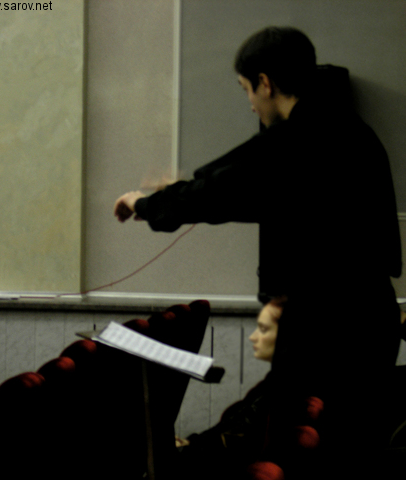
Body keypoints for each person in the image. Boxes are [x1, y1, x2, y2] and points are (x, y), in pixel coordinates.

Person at [114, 26, 402, 479]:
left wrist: (147, 204)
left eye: (246, 89)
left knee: (300, 457)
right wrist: (184, 188)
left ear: (265, 83)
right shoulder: (350, 131)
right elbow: (244, 173)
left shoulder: (300, 139)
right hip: (368, 321)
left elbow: (230, 186)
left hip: (328, 329)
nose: (249, 102)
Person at [174, 299, 285, 480]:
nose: (253, 337)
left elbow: (238, 443)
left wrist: (191, 445)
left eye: (264, 330)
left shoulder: (281, 387)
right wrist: (191, 441)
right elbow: (230, 426)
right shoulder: (275, 379)